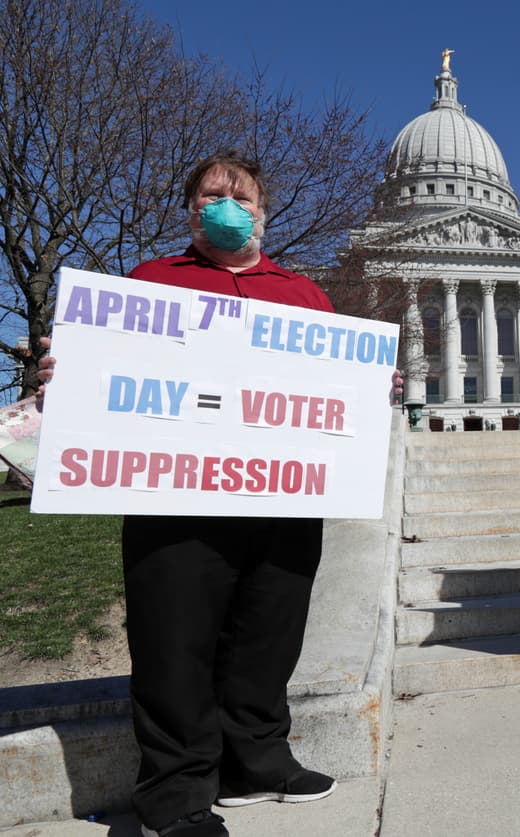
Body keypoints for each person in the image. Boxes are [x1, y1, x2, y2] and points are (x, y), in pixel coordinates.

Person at [37, 153, 400, 837]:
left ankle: (256, 763)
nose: (229, 203)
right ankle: (174, 796)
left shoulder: (304, 294)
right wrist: (68, 367)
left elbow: (339, 391)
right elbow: (103, 375)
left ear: (262, 212)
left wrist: (377, 389)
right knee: (174, 642)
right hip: (176, 503)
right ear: (191, 209)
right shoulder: (150, 283)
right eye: (213, 193)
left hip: (283, 499)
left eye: (242, 195)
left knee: (270, 635)